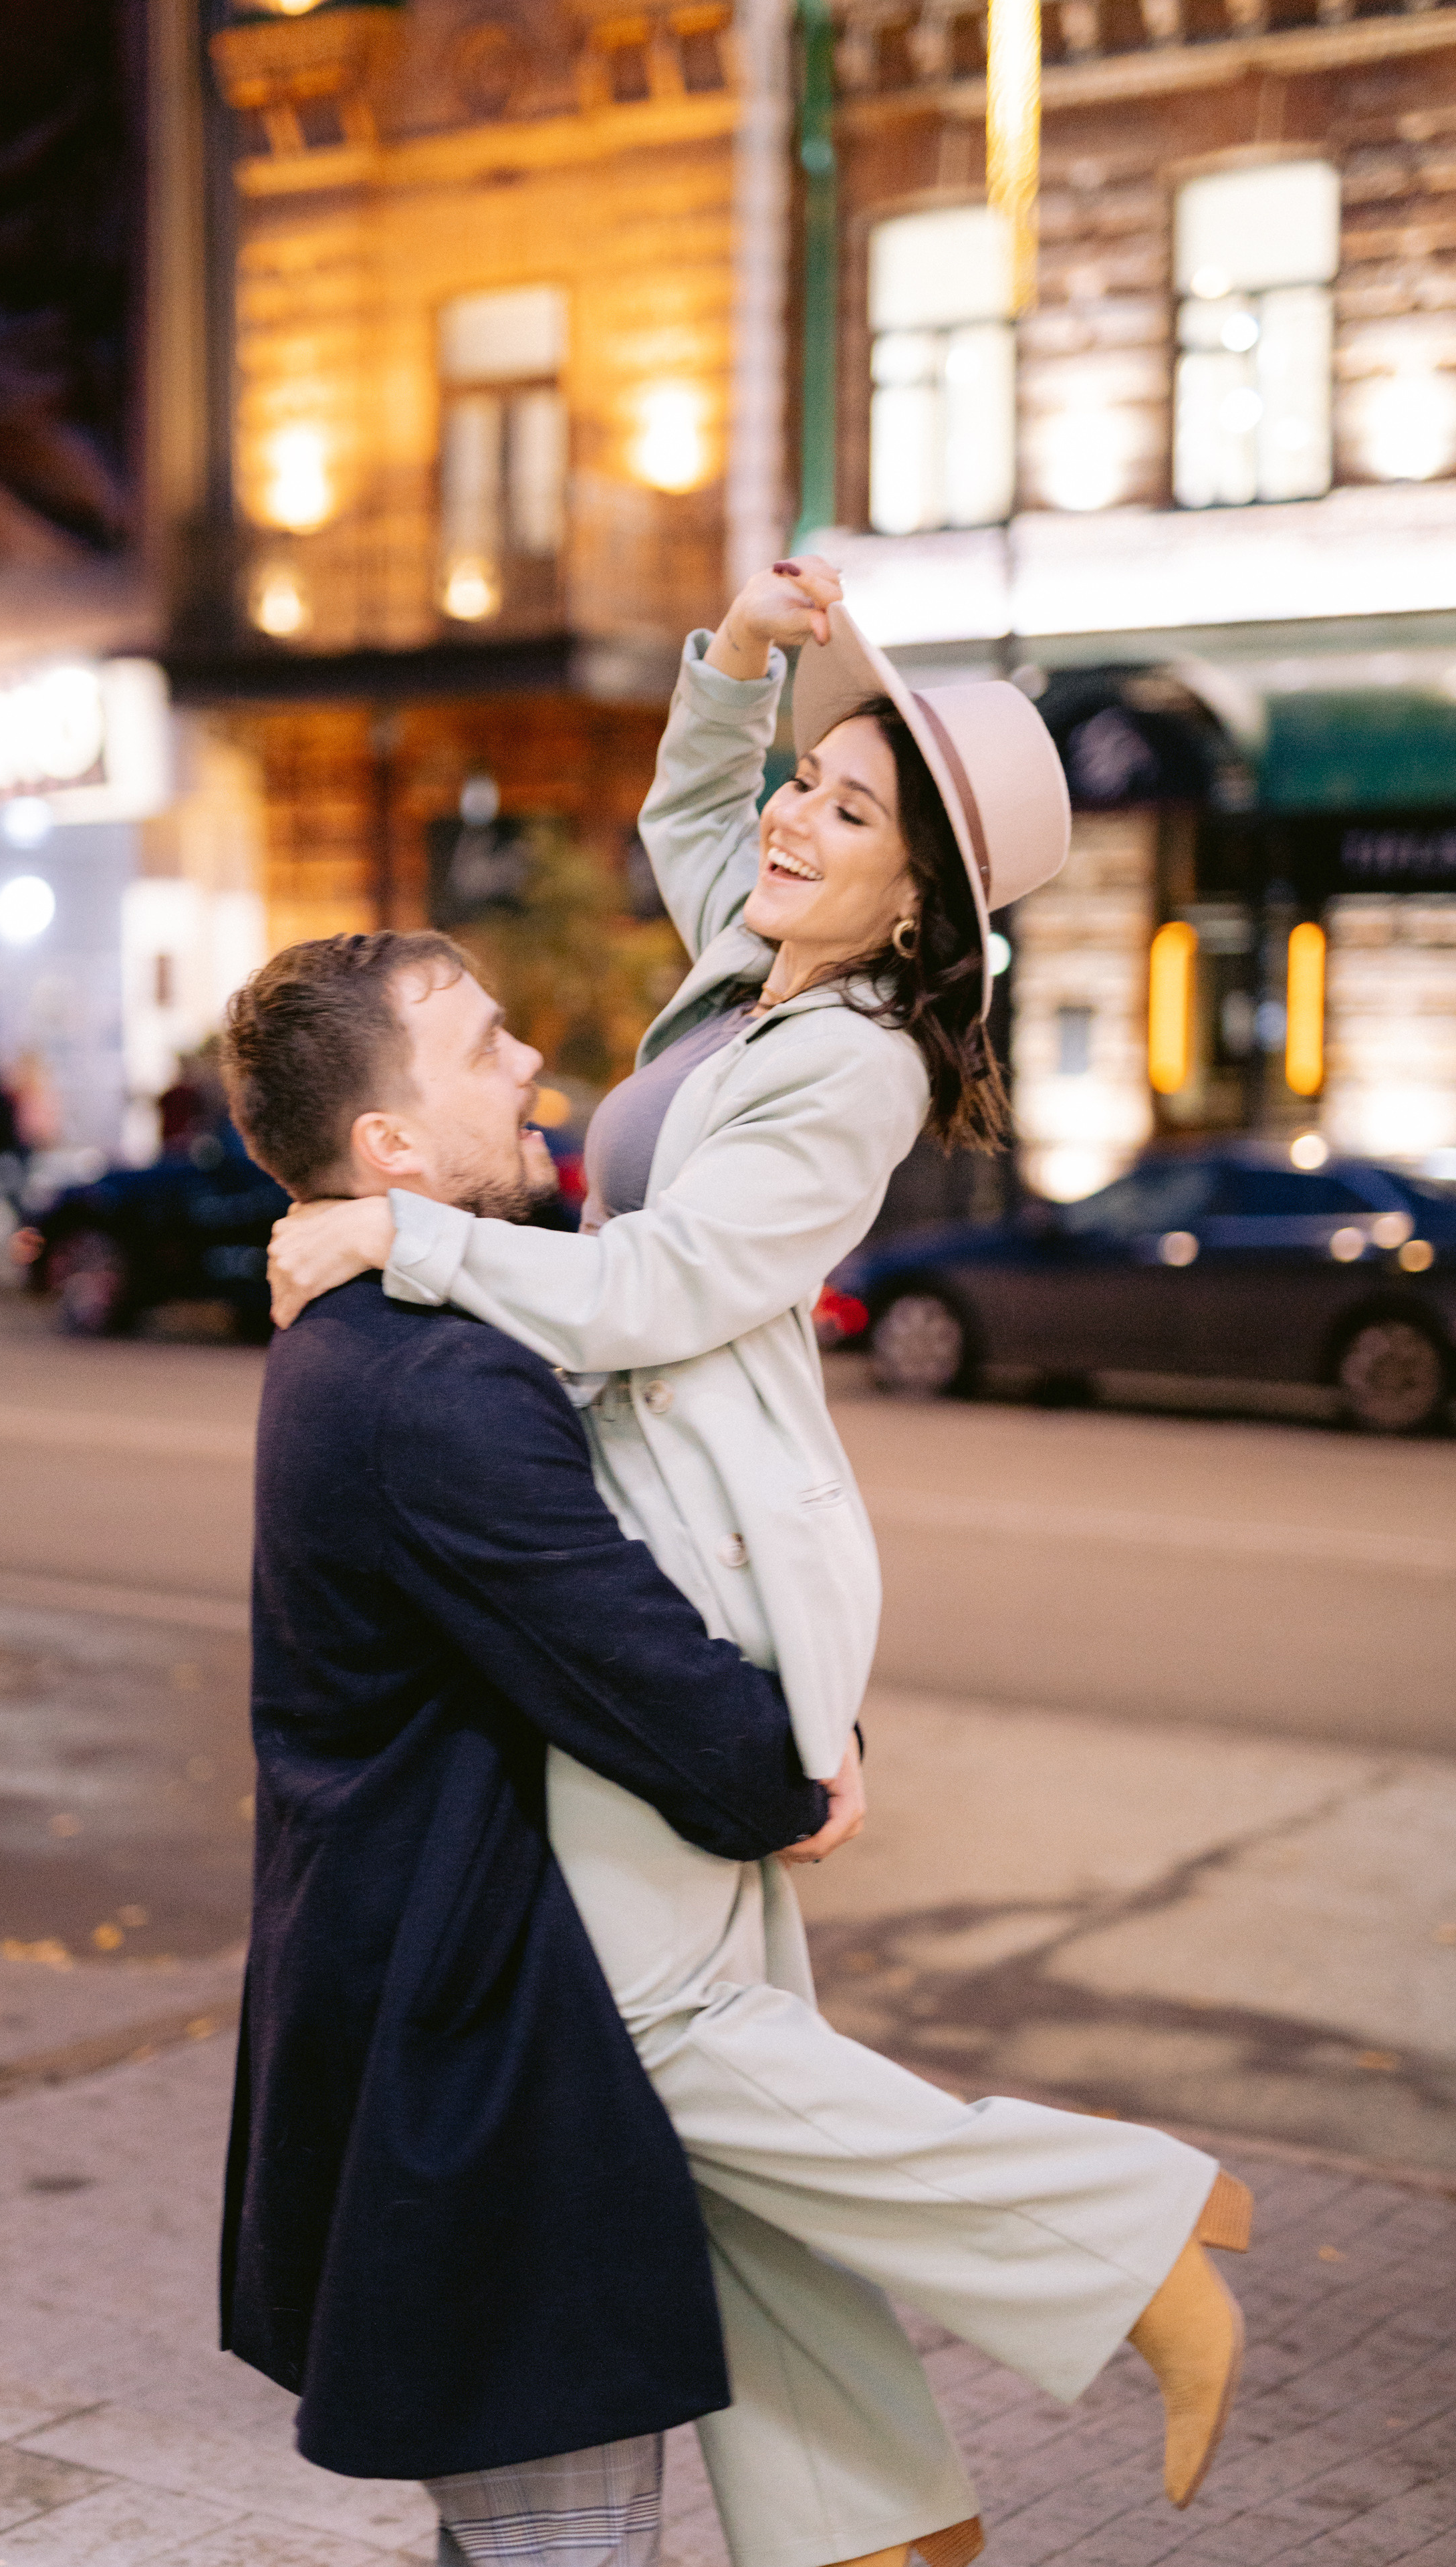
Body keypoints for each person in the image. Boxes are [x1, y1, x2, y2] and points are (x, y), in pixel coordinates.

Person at [267, 561, 1253, 2567]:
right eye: (810, 785)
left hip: (711, 1554)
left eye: (852, 814)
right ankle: (871, 2520)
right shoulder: (756, 972)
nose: (795, 822)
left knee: (655, 2049)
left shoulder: (855, 1062)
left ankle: (1129, 2237)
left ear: (924, 905)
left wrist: (410, 1242)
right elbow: (686, 819)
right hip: (675, 1524)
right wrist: (735, 666)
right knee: (700, 2083)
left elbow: (674, 1280)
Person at [216, 930, 856, 2560]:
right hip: (472, 2050)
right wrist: (792, 1776)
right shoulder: (432, 1384)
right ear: (391, 1153)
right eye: (484, 1044)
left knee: (514, 2531)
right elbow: (635, 1669)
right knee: (557, 2538)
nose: (530, 1067)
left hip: (427, 2007)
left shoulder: (385, 1338)